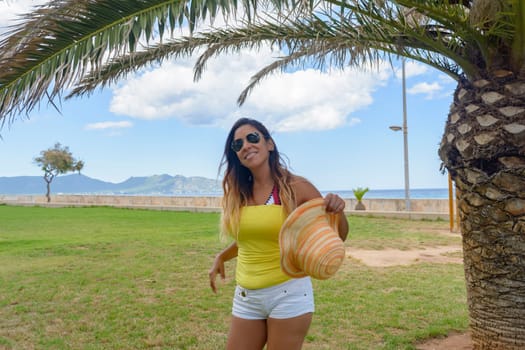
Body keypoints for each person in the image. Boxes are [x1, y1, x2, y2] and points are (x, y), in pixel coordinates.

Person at [208, 117, 349, 350]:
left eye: (252, 138)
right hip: (247, 297)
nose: (245, 146)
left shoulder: (296, 187)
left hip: (288, 294)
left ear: (269, 144)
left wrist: (338, 211)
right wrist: (222, 256)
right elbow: (250, 239)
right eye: (238, 144)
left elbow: (336, 236)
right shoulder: (238, 193)